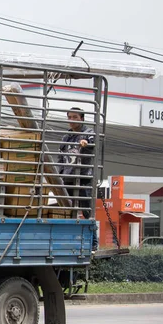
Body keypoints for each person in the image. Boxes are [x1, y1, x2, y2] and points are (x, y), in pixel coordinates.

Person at [58, 107, 98, 251]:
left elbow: (91, 144)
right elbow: (61, 158)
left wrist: (85, 143)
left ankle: (93, 243)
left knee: (87, 210)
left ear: (82, 118)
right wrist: (59, 176)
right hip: (68, 177)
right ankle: (71, 241)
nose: (72, 120)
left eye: (75, 117)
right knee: (68, 210)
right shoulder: (66, 137)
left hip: (83, 177)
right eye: (70, 117)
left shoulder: (88, 133)